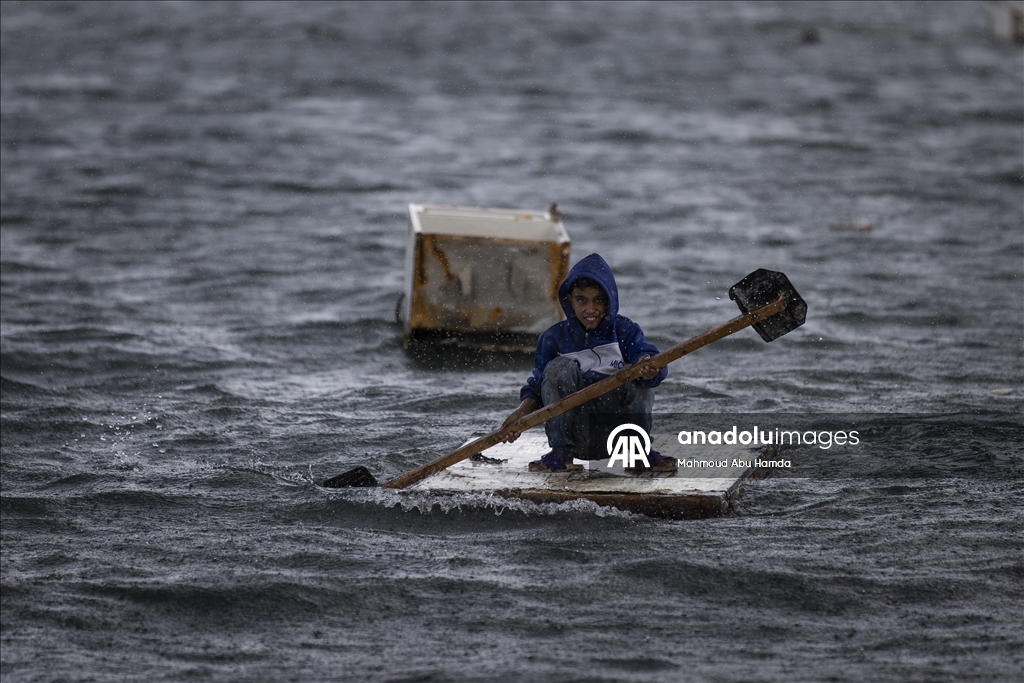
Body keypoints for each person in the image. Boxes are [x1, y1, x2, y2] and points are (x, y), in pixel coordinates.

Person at [500, 253, 676, 472]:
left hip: (618, 435)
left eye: (598, 300)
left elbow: (652, 362)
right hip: (577, 436)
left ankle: (638, 453)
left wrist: (649, 369)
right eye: (581, 300)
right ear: (569, 301)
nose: (590, 310)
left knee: (637, 374)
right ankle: (560, 456)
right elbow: (538, 389)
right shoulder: (553, 338)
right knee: (556, 369)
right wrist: (520, 416)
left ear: (609, 300)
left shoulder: (624, 331)